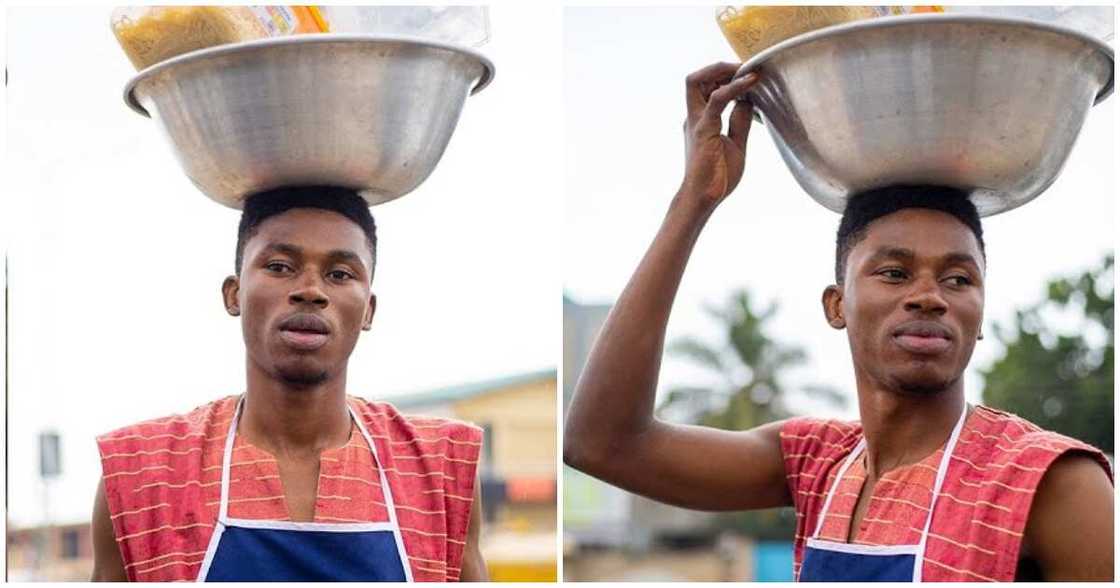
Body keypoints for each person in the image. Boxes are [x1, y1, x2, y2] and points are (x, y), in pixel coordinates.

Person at [563, 63, 1114, 582]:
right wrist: (695, 199)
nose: (929, 297)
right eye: (895, 273)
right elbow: (601, 442)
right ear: (836, 305)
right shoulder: (817, 464)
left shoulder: (1051, 483)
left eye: (958, 280)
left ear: (981, 314)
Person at [91, 187, 487, 582]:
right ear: (234, 294)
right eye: (280, 266)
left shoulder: (441, 469)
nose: (310, 291)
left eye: (339, 274)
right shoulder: (141, 474)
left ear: (368, 309)